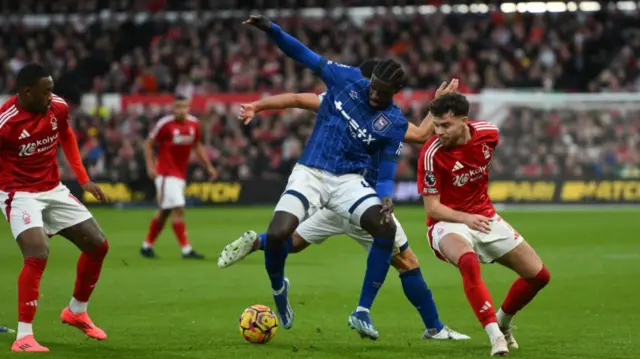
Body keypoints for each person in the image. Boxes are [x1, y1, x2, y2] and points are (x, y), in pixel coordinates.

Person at [219, 80, 470, 340]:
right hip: (361, 202)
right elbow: (420, 135)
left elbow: (296, 98)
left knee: (292, 242)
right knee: (408, 263)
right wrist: (435, 104)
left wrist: (258, 106)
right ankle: (435, 328)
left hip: (332, 198)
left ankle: (259, 242)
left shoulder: (338, 103)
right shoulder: (386, 121)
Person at [244, 14, 407, 340]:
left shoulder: (394, 121)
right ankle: (279, 287)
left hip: (349, 181)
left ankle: (362, 311)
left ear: (396, 92)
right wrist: (273, 30)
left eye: (382, 92)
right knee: (277, 234)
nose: (374, 94)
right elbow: (304, 55)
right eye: (373, 86)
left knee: (386, 229)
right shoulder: (346, 79)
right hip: (311, 172)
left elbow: (387, 166)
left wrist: (386, 194)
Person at [417, 92, 551, 356]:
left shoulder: (489, 133)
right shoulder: (431, 153)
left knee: (539, 276)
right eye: (436, 125)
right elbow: (433, 208)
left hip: (484, 216)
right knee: (468, 262)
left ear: (464, 121)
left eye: (445, 125)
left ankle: (503, 322)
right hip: (448, 222)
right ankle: (494, 338)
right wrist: (466, 218)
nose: (438, 131)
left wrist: (476, 214)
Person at [0, 63, 110, 352]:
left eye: (52, 88)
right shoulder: (6, 122)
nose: (52, 95)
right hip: (19, 192)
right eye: (46, 90)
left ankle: (76, 311)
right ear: (26, 91)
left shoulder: (57, 107)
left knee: (98, 244)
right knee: (37, 253)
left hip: (52, 188)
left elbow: (67, 137)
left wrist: (83, 179)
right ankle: (24, 337)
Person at [140, 94, 217, 259]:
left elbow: (197, 145)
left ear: (189, 107)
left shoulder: (194, 124)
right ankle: (186, 249)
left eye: (184, 107)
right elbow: (149, 143)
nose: (180, 110)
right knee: (178, 208)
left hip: (180, 174)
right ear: (172, 108)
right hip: (166, 174)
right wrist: (150, 166)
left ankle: (146, 246)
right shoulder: (165, 124)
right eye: (177, 107)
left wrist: (208, 166)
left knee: (164, 212)